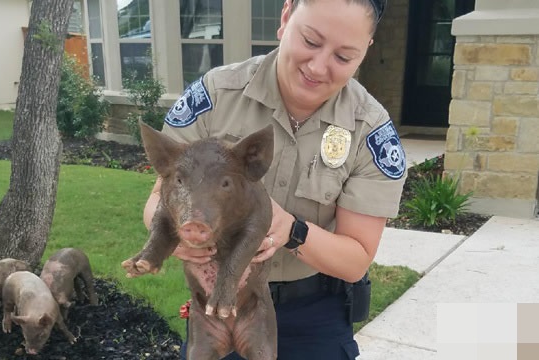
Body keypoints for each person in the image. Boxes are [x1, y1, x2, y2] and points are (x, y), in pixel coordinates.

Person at [142, 0, 405, 358]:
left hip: (313, 314)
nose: (318, 66)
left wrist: (292, 231)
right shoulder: (216, 95)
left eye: (343, 57)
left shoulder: (371, 131)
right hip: (215, 302)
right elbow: (161, 195)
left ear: (366, 51)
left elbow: (356, 259)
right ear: (285, 18)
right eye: (310, 41)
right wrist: (180, 231)